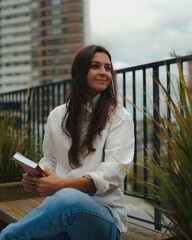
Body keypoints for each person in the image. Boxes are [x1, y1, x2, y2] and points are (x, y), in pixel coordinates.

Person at [0, 45, 134, 240]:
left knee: (67, 197)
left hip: (103, 216)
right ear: (79, 72)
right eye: (96, 66)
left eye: (107, 68)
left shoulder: (119, 116)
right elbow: (50, 158)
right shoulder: (57, 115)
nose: (104, 73)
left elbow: (113, 174)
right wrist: (38, 176)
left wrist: (62, 185)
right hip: (59, 210)